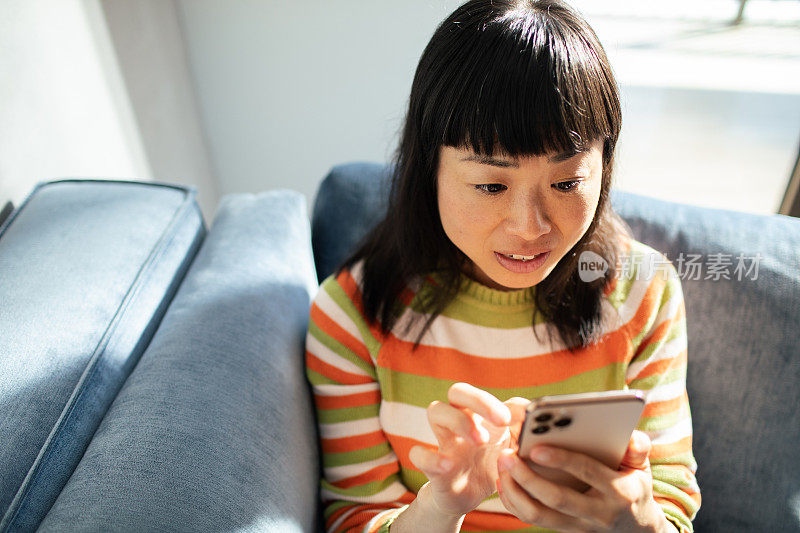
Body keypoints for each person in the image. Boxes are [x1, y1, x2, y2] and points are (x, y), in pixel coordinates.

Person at [304, 0, 701, 531]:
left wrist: (636, 520)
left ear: (603, 169)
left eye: (566, 183)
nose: (530, 226)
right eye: (491, 185)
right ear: (430, 169)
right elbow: (354, 519)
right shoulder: (351, 315)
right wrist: (440, 506)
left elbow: (673, 507)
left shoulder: (642, 291)